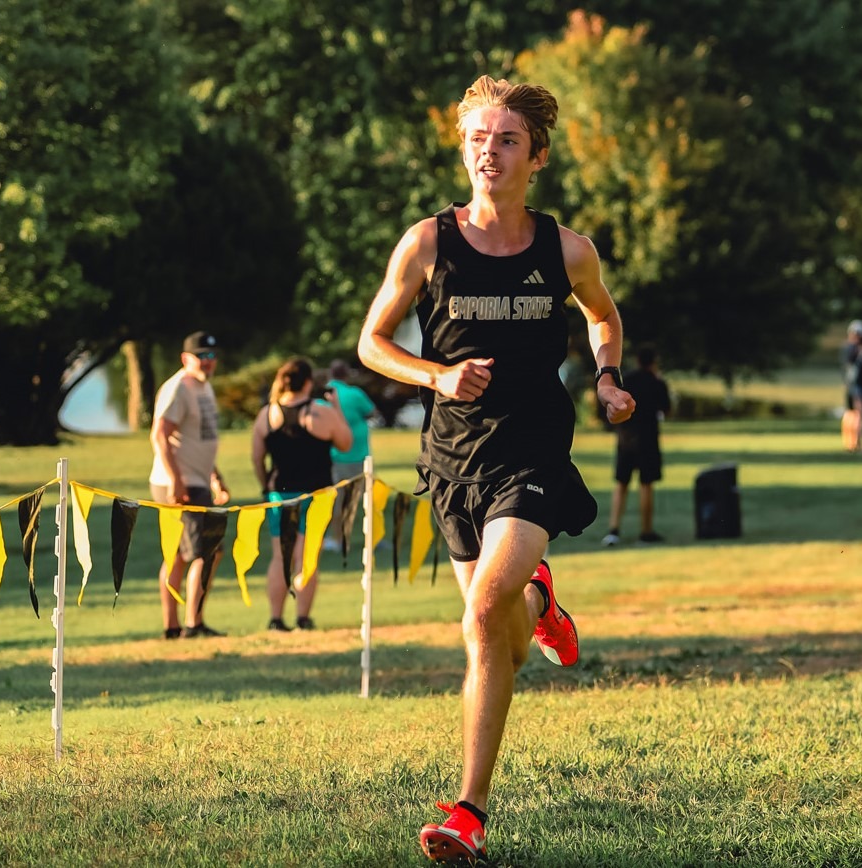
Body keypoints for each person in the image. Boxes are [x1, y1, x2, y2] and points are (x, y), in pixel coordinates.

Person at [356, 75, 635, 865]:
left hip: (534, 448)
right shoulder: (426, 243)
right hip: (451, 458)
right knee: (506, 642)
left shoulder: (565, 249)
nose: (490, 150)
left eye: (507, 139)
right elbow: (372, 343)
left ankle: (469, 812)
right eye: (479, 137)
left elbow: (603, 315)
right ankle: (541, 597)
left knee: (479, 613)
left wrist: (608, 377)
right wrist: (434, 375)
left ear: (536, 157)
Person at [251, 357, 352, 631]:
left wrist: (266, 485)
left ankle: (275, 618)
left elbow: (257, 458)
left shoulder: (267, 415)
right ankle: (302, 618)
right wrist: (337, 409)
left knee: (280, 556)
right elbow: (346, 443)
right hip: (315, 495)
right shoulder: (319, 413)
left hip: (279, 495)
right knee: (306, 557)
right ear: (308, 382)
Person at [150, 331, 231, 639]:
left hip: (198, 480)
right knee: (204, 552)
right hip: (181, 483)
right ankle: (190, 624)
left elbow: (199, 440)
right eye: (202, 357)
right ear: (186, 358)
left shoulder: (203, 387)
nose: (209, 362)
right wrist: (176, 480)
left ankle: (176, 626)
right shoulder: (178, 389)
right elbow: (160, 435)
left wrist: (215, 477)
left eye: (212, 357)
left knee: (185, 554)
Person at [603, 344, 672, 546]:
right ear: (653, 362)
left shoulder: (626, 380)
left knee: (621, 483)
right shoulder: (657, 382)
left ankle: (614, 529)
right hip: (648, 438)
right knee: (646, 484)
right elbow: (666, 409)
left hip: (626, 437)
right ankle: (646, 530)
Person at [324, 359, 379, 553]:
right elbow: (372, 413)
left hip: (334, 455)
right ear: (346, 375)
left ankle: (336, 539)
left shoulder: (323, 394)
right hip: (360, 454)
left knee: (337, 501)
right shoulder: (355, 393)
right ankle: (373, 539)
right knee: (368, 499)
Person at [839, 320, 862, 452]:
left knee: (851, 414)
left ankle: (850, 443)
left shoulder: (847, 347)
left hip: (850, 385)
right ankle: (854, 442)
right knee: (855, 415)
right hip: (854, 386)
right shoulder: (855, 349)